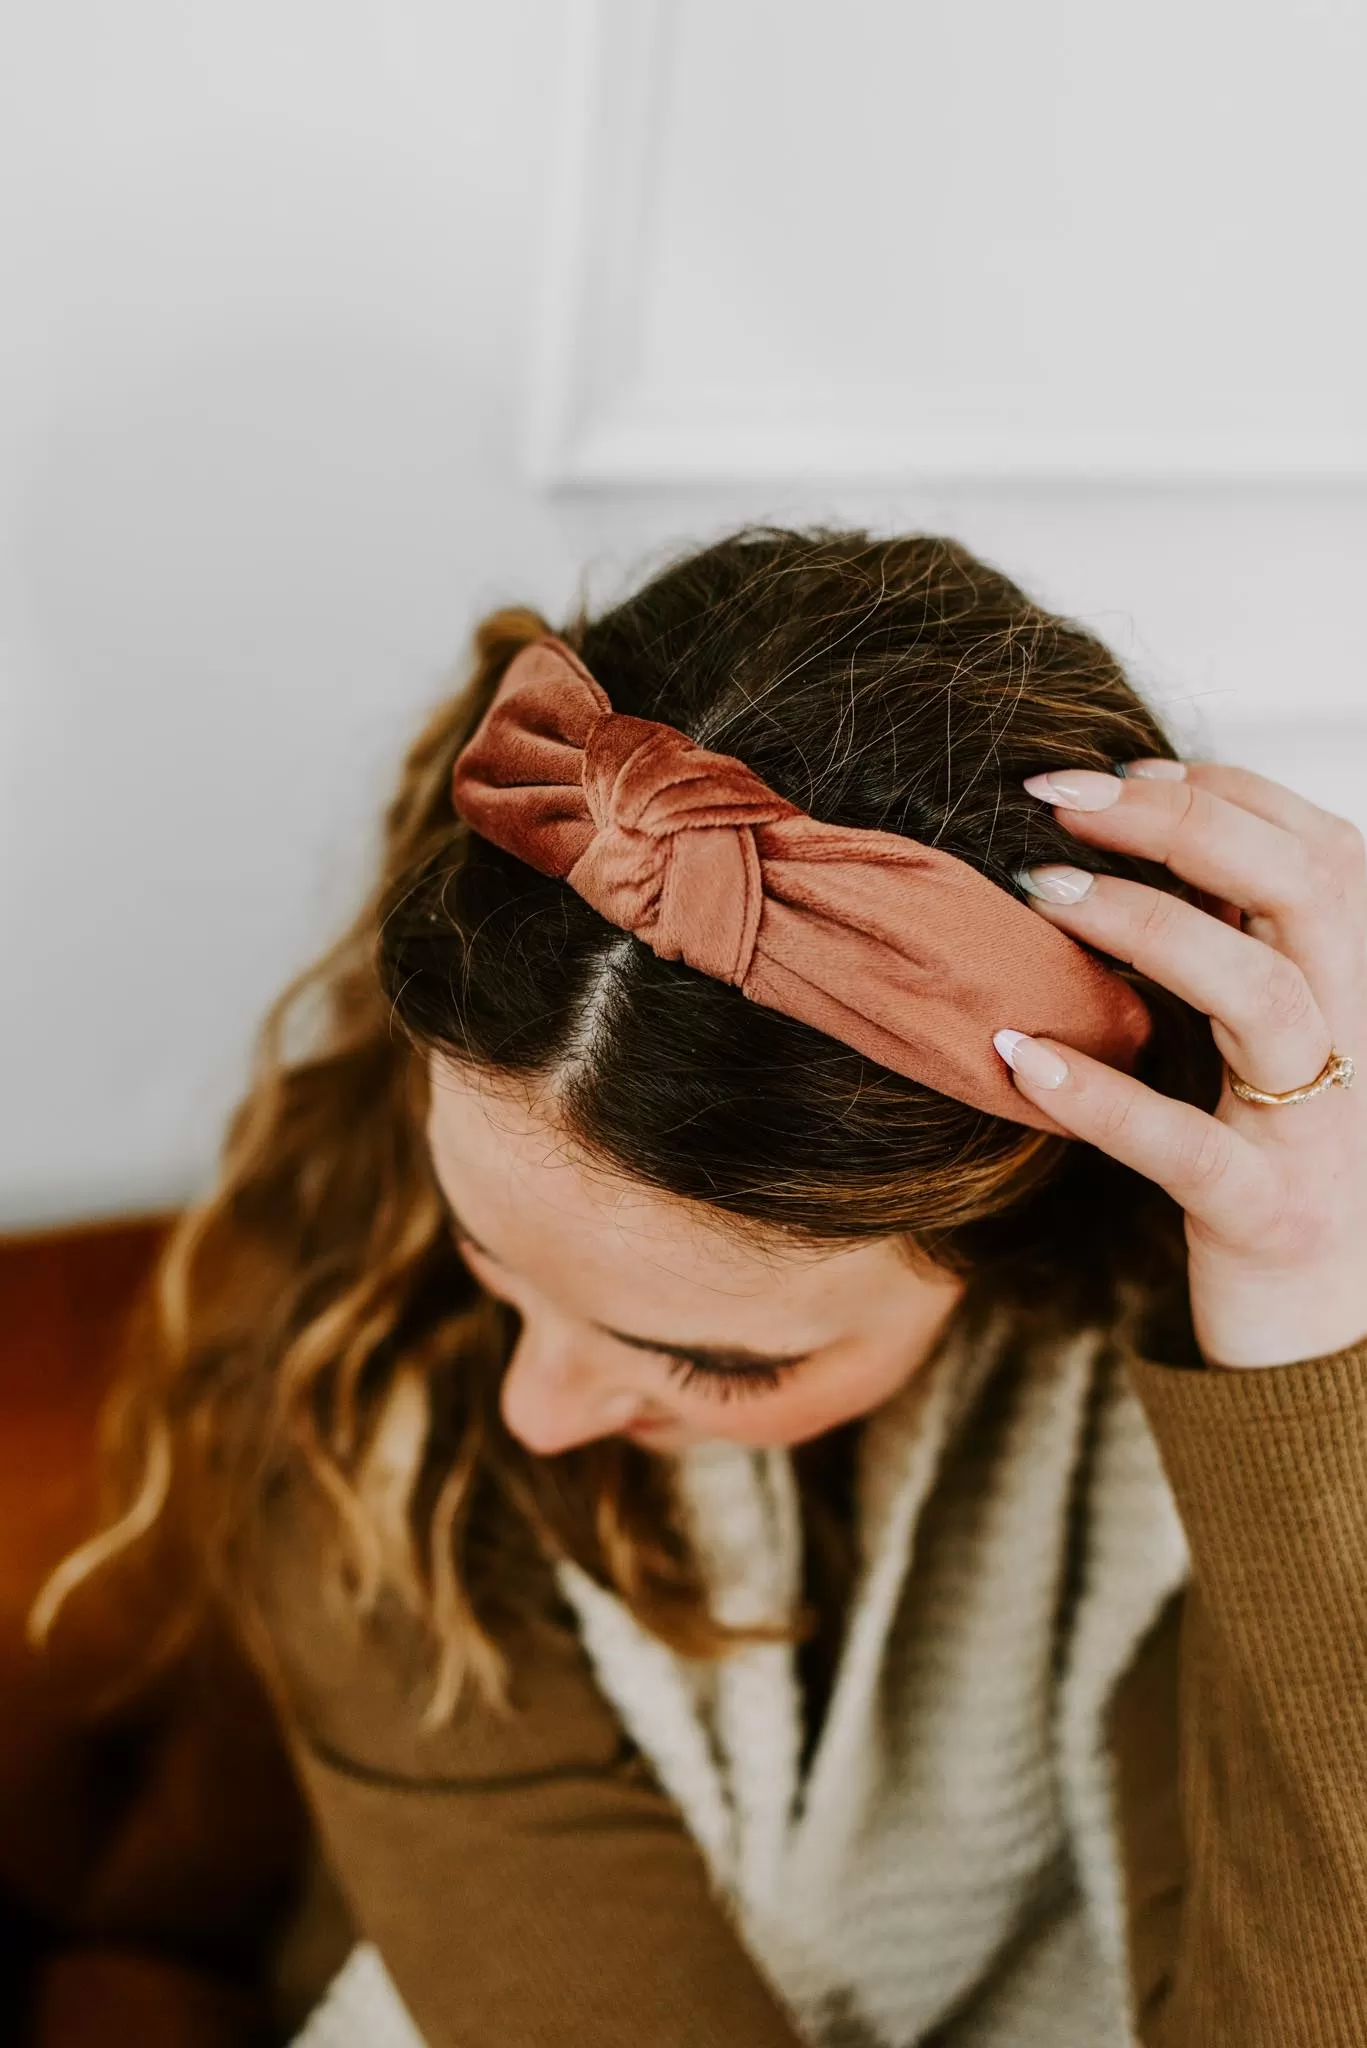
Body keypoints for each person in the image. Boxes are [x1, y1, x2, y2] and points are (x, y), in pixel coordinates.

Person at [47, 529, 1367, 2047]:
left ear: (1023, 1266)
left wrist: (1299, 1342)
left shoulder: (1150, 1439)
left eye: (715, 1363)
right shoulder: (369, 1378)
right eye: (489, 1260)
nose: (535, 1409)